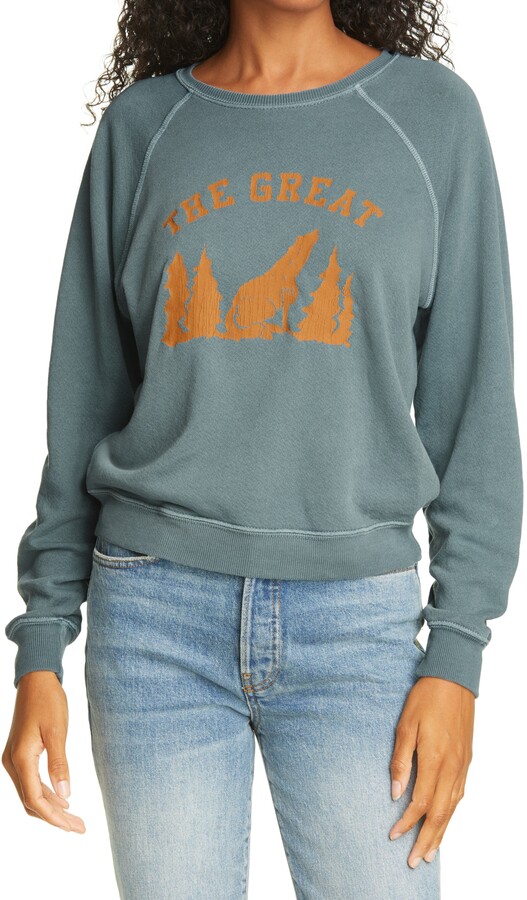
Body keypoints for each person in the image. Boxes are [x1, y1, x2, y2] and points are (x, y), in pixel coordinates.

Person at [2, 1, 522, 897]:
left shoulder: (431, 117)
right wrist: (41, 643)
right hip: (152, 620)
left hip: (358, 630)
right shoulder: (144, 127)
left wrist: (457, 655)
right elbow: (81, 401)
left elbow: (473, 409)